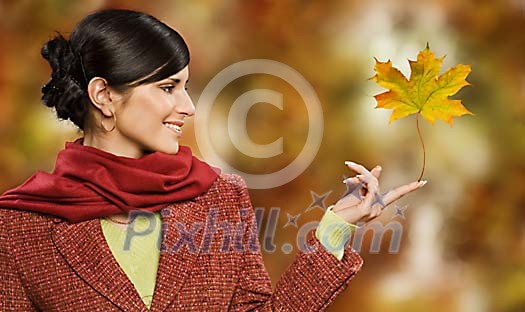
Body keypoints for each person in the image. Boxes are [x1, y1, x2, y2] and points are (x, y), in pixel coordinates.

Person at [0, 8, 426, 311]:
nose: (188, 106)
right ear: (103, 95)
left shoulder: (219, 197)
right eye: (168, 88)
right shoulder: (20, 225)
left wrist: (336, 229)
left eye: (186, 86)